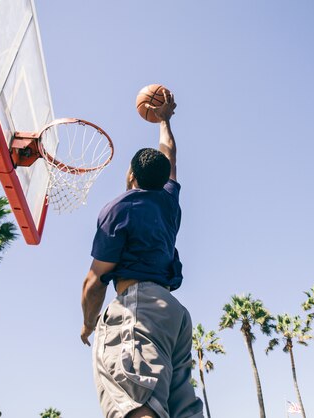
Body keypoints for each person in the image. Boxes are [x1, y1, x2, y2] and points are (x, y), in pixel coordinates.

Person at [80, 90, 203, 418]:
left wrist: (88, 324)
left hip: (139, 308)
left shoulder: (119, 209)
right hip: (173, 317)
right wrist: (164, 120)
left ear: (131, 174)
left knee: (136, 406)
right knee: (178, 410)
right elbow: (170, 154)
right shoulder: (168, 201)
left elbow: (95, 280)